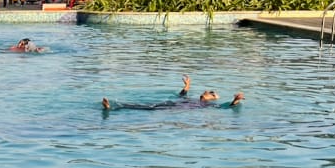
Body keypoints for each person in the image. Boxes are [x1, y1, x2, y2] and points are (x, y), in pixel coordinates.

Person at [102, 75, 243, 110]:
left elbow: (225, 107)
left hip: (169, 109)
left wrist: (235, 101)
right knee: (142, 106)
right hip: (168, 104)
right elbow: (182, 95)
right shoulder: (194, 100)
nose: (206, 91)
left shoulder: (207, 106)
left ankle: (112, 107)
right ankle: (115, 106)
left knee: (145, 108)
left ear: (213, 98)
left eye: (211, 93)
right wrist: (187, 86)